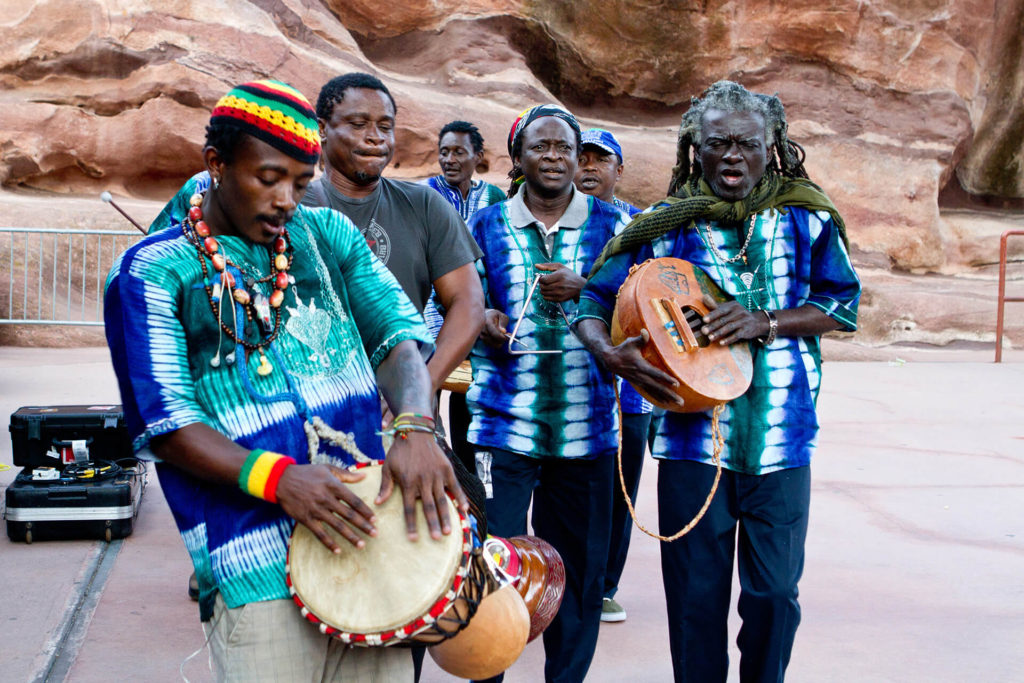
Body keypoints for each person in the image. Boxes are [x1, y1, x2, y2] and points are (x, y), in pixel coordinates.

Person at [104, 79, 467, 681]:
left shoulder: (327, 236)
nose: (285, 201)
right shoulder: (151, 271)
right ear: (215, 165)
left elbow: (399, 338)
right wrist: (278, 480)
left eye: (300, 182)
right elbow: (165, 422)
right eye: (268, 178)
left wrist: (416, 425)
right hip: (253, 565)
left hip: (367, 543)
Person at [575, 81, 861, 682]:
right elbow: (591, 302)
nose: (734, 156)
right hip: (690, 443)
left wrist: (768, 321)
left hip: (781, 442)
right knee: (695, 601)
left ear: (773, 145)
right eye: (719, 144)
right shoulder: (659, 226)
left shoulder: (807, 219)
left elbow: (842, 305)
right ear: (694, 149)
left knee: (774, 597)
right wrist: (610, 353)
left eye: (749, 144)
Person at [467, 104, 628, 683]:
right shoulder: (484, 224)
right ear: (518, 158)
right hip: (503, 423)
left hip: (588, 430)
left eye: (565, 147)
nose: (555, 157)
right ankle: (490, 673)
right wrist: (481, 314)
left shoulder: (614, 226)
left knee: (579, 574)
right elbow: (450, 302)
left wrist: (587, 287)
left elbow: (642, 308)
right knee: (493, 567)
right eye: (541, 147)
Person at [301, 73, 484, 408]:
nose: (375, 138)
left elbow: (468, 304)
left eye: (385, 127)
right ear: (323, 128)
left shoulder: (425, 206)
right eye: (358, 124)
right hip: (311, 406)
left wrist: (418, 387)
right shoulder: (293, 208)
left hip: (402, 418)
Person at [573, 126, 651, 624]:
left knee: (621, 489)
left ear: (619, 171)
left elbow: (652, 293)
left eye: (601, 159)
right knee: (568, 489)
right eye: (582, 157)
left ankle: (604, 586)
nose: (588, 167)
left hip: (629, 388)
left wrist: (583, 287)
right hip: (570, 382)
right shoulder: (554, 217)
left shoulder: (642, 225)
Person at [423, 120, 506, 472]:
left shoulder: (495, 198)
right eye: (444, 152)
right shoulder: (425, 194)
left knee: (470, 394)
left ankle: (474, 480)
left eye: (458, 151)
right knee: (429, 380)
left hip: (477, 304)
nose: (450, 159)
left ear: (478, 156)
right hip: (429, 306)